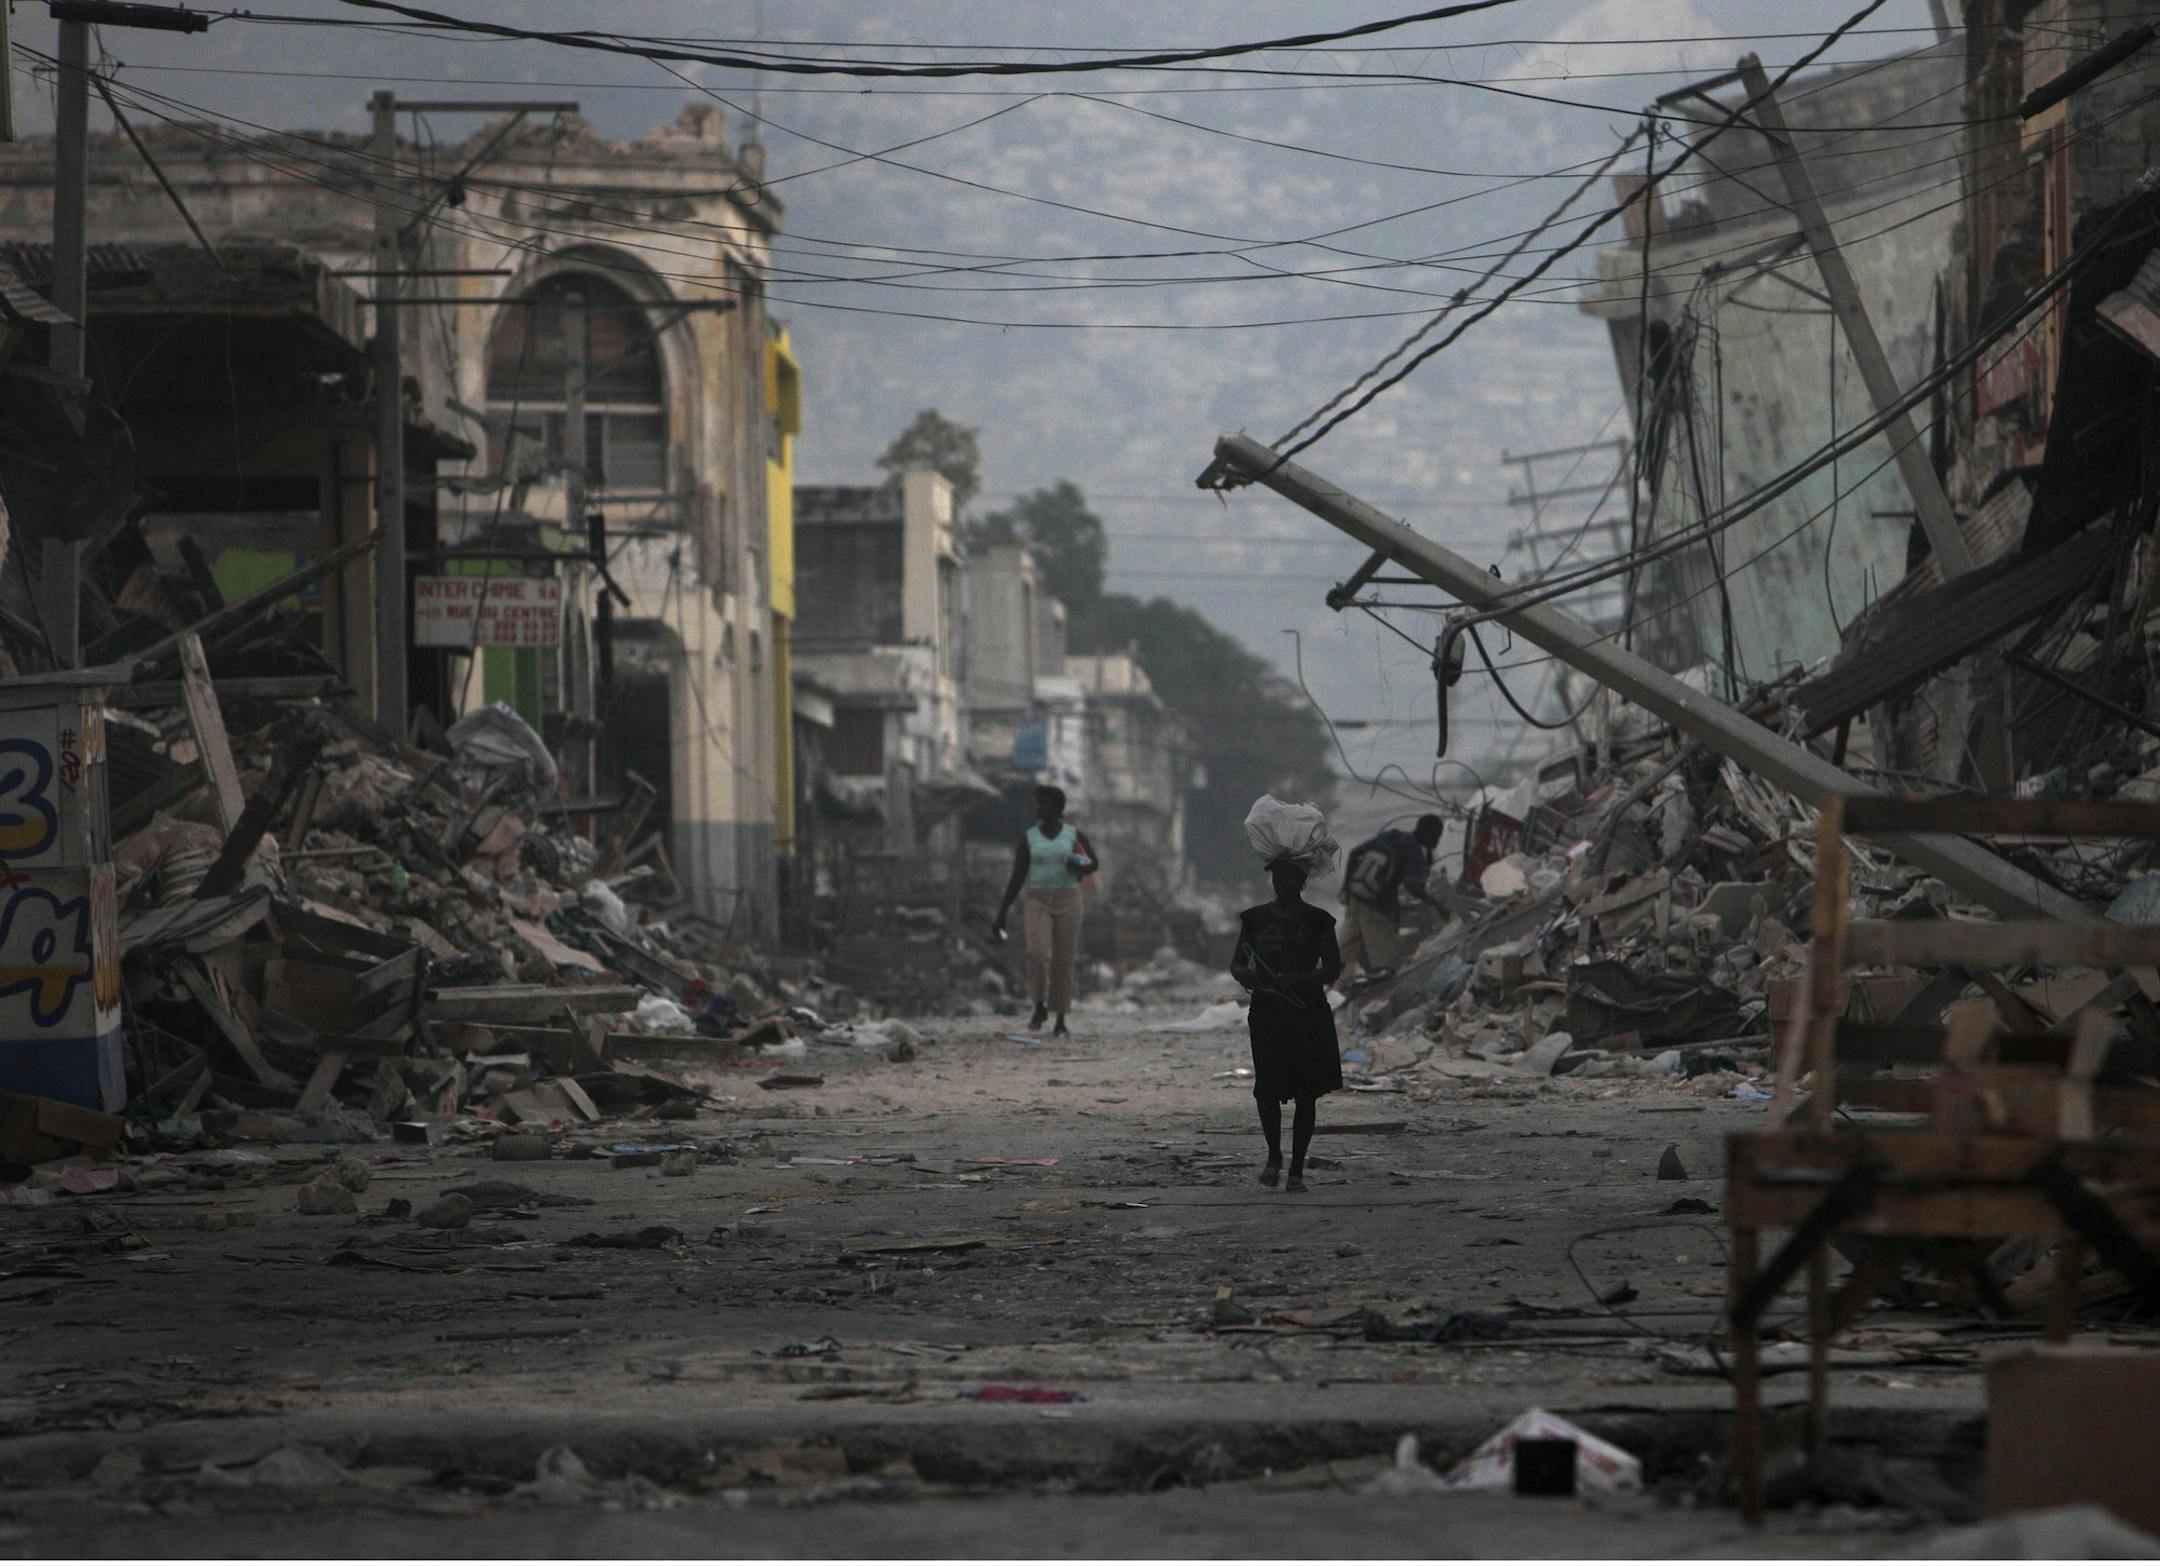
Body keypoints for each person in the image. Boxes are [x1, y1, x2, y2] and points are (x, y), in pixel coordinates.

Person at [1231, 858, 1344, 1193]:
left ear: (1302, 880)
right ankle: (1273, 1157)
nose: (1284, 881)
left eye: (1291, 875)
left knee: (1306, 1093)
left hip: (1307, 1012)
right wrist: (1247, 976)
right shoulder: (1254, 919)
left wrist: (1300, 979)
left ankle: (1296, 1169)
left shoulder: (1319, 921)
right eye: (1278, 875)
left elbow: (1332, 968)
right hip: (1267, 1012)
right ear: (1272, 878)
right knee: (1266, 1088)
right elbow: (1238, 962)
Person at [991, 785, 1098, 1037]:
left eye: (1042, 803)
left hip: (1069, 899)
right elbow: (1017, 877)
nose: (1037, 808)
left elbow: (1094, 862)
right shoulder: (1029, 838)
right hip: (1037, 899)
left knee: (1063, 958)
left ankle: (1060, 1019)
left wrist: (1078, 865)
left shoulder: (1074, 835)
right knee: (1037, 953)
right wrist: (1002, 913)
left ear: (1055, 807)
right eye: (1036, 803)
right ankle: (1039, 1006)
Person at [1336, 814, 1446, 979]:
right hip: (1376, 903)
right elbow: (1412, 885)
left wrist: (1346, 885)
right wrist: (1436, 904)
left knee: (1348, 947)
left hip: (1355, 894)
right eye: (1437, 837)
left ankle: (1333, 984)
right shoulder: (1413, 849)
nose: (1437, 842)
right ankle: (1378, 985)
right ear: (1429, 833)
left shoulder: (1391, 836)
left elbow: (1354, 853)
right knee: (1385, 961)